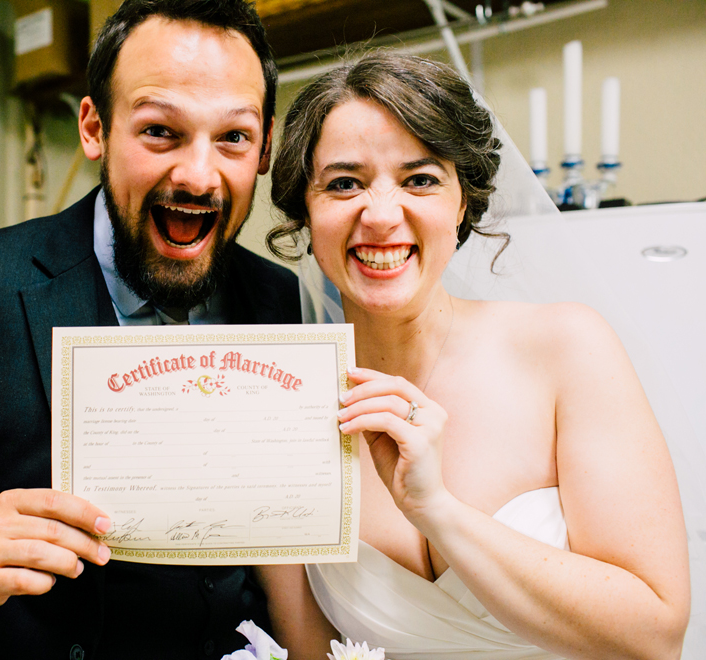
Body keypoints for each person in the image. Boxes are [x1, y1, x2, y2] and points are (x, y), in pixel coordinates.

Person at [0, 1, 299, 658]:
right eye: (159, 132)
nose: (198, 176)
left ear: (264, 146)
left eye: (232, 138)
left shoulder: (274, 295)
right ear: (95, 127)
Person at [257, 51, 691, 659]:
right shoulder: (276, 412)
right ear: (306, 210)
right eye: (344, 183)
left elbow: (656, 637)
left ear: (463, 203)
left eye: (421, 179)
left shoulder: (565, 348)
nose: (381, 216)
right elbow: (311, 648)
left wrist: (439, 512)